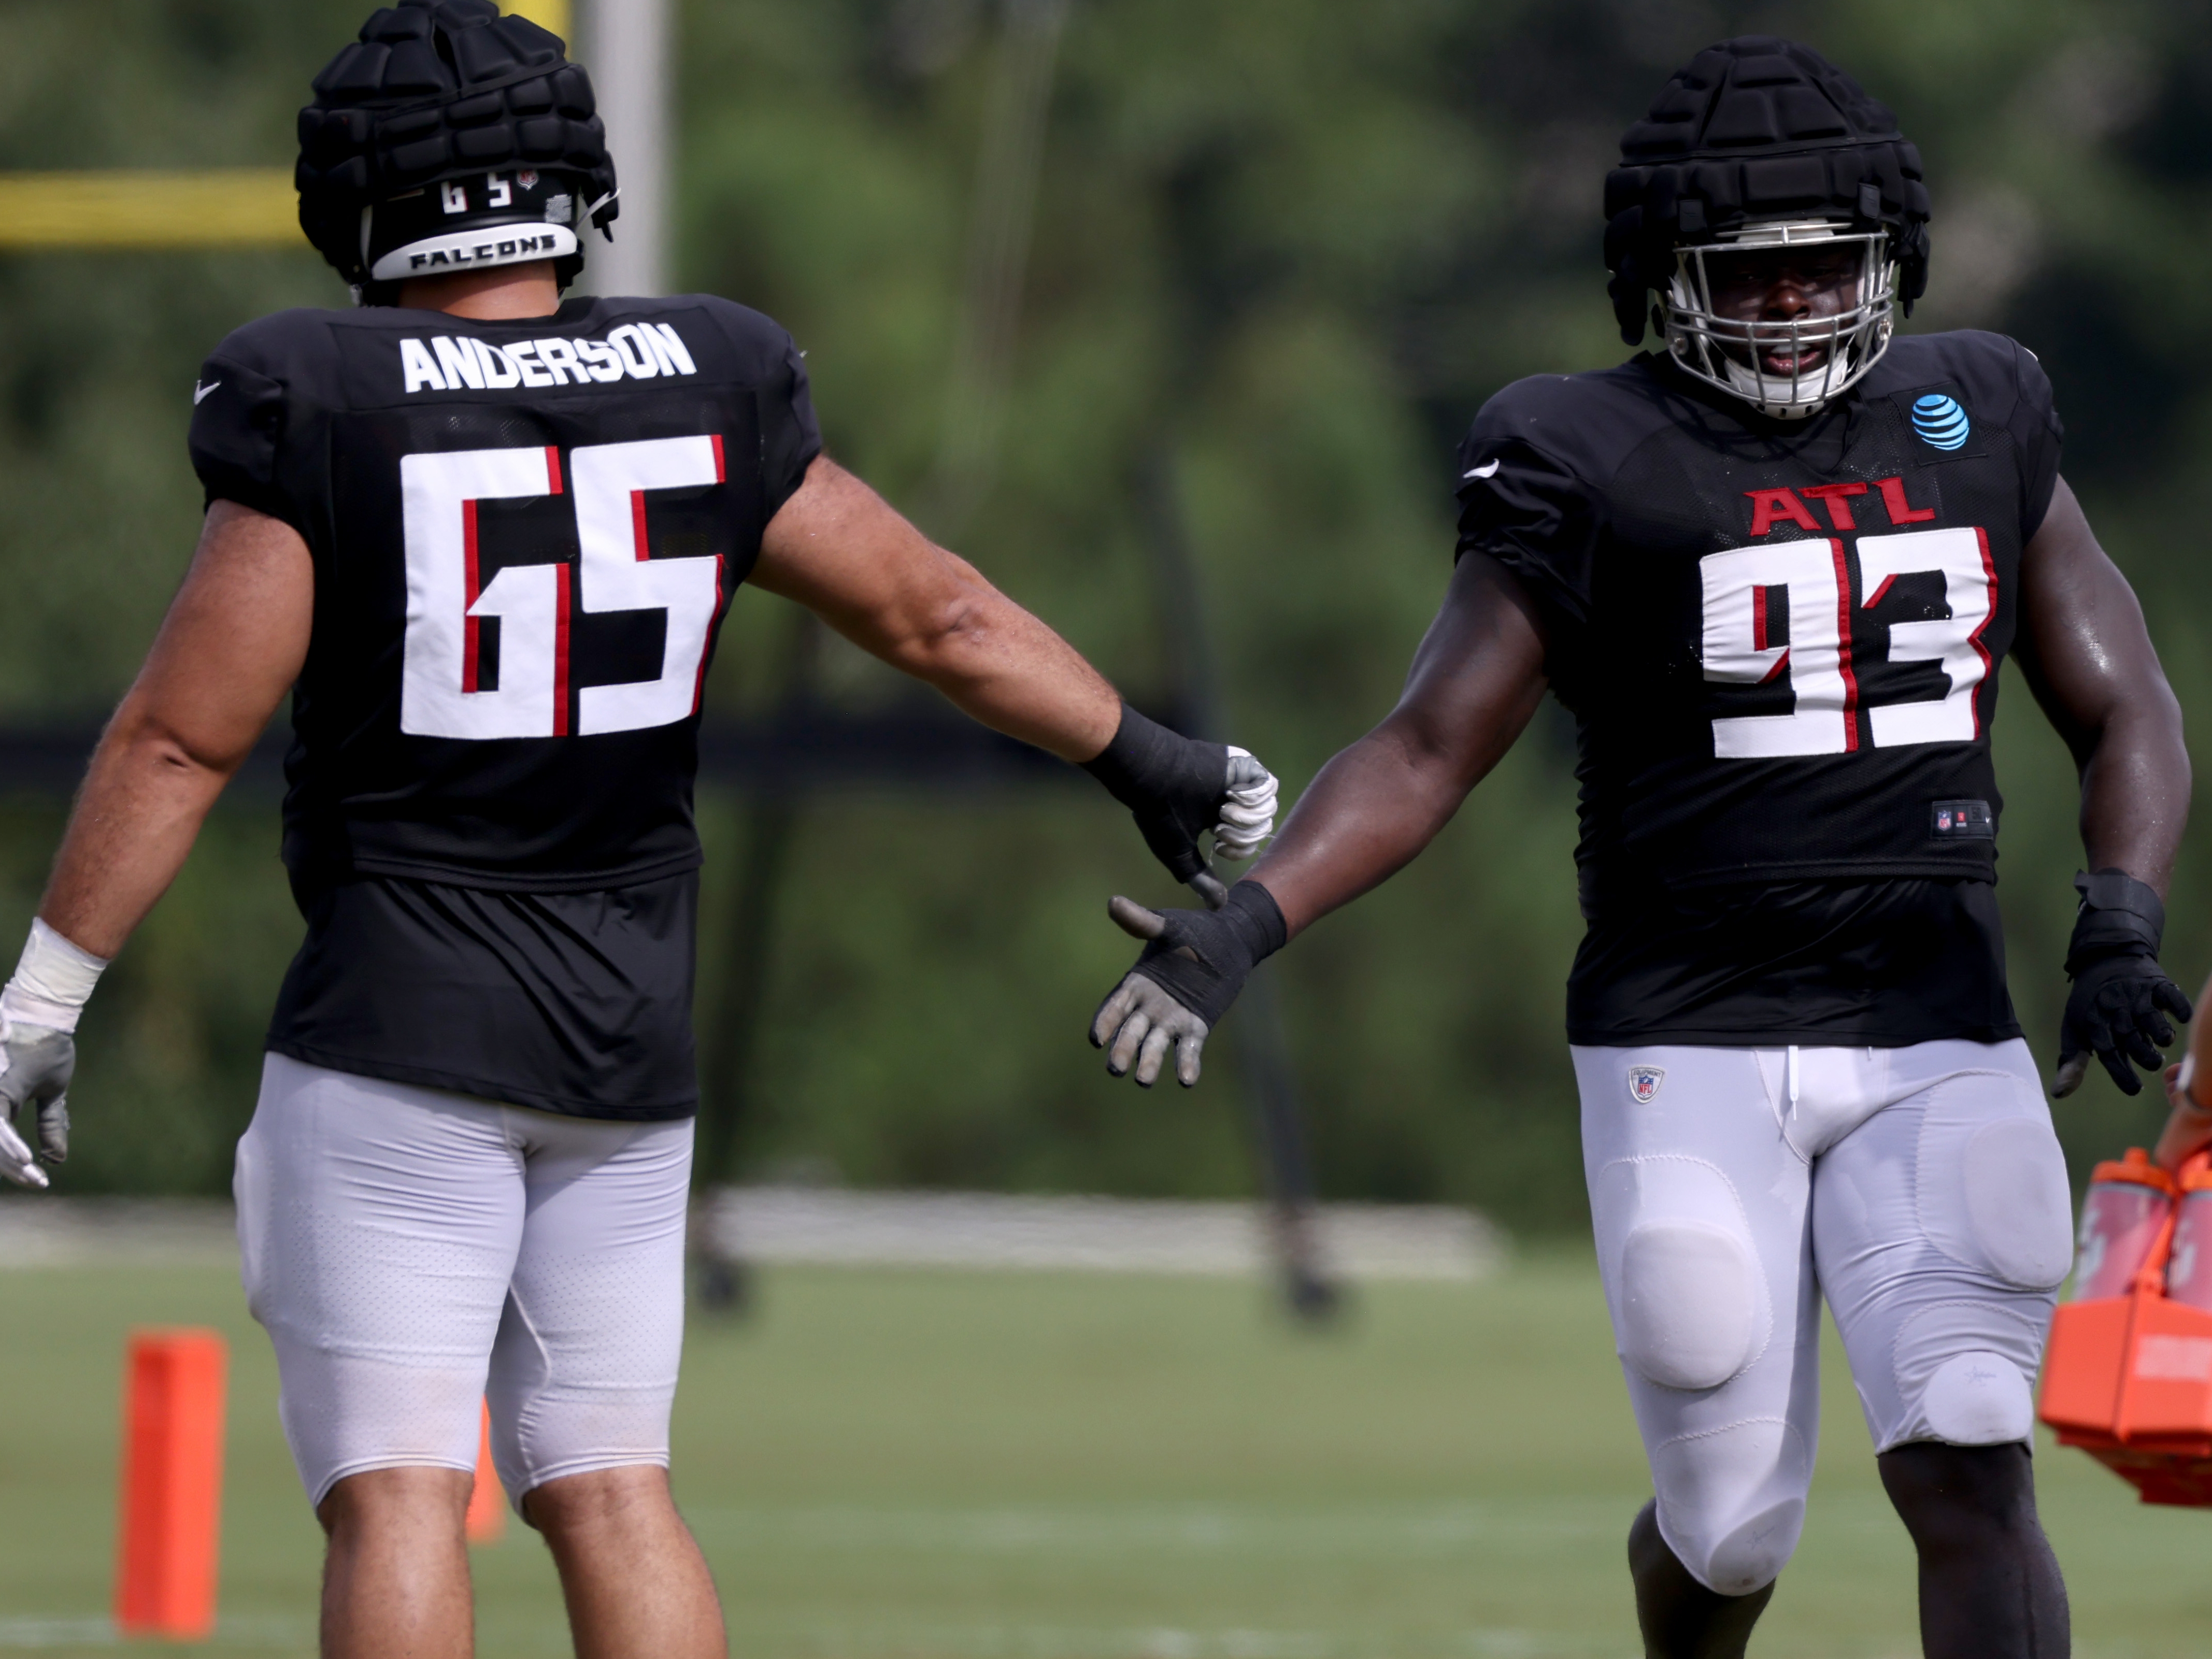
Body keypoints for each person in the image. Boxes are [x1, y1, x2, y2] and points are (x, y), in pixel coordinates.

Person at [0, 3, 1276, 1655]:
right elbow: (939, 617)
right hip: (627, 1043)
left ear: (364, 196)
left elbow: (184, 734)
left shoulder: (321, 392)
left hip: (402, 1025)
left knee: (394, 1489)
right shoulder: (706, 372)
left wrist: (43, 992)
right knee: (612, 1481)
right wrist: (1155, 758)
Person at [1091, 36, 2190, 1658]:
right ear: (1662, 281)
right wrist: (1244, 922)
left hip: (1933, 1014)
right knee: (1731, 1523)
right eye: (1755, 278)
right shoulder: (1586, 451)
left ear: (1888, 259)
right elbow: (1426, 744)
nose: (1800, 306)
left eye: (1828, 268)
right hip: (1687, 1023)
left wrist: (2119, 918)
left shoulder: (1979, 411)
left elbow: (2130, 703)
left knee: (1968, 1451)